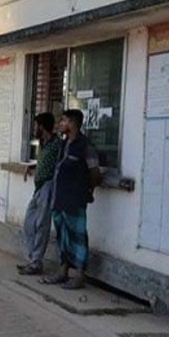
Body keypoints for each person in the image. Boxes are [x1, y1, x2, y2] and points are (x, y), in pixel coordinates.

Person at [41, 110, 101, 290]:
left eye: (64, 120)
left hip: (75, 199)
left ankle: (80, 274)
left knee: (78, 236)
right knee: (62, 236)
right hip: (59, 199)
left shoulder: (85, 146)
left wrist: (88, 189)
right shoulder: (64, 144)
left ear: (73, 123)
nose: (60, 123)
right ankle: (63, 271)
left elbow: (95, 173)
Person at [17, 113, 59, 275]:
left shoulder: (57, 145)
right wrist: (33, 166)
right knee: (29, 222)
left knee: (42, 224)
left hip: (49, 185)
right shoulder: (43, 144)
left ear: (42, 127)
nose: (35, 129)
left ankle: (36, 262)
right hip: (39, 186)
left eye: (37, 126)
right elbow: (43, 161)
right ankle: (32, 258)